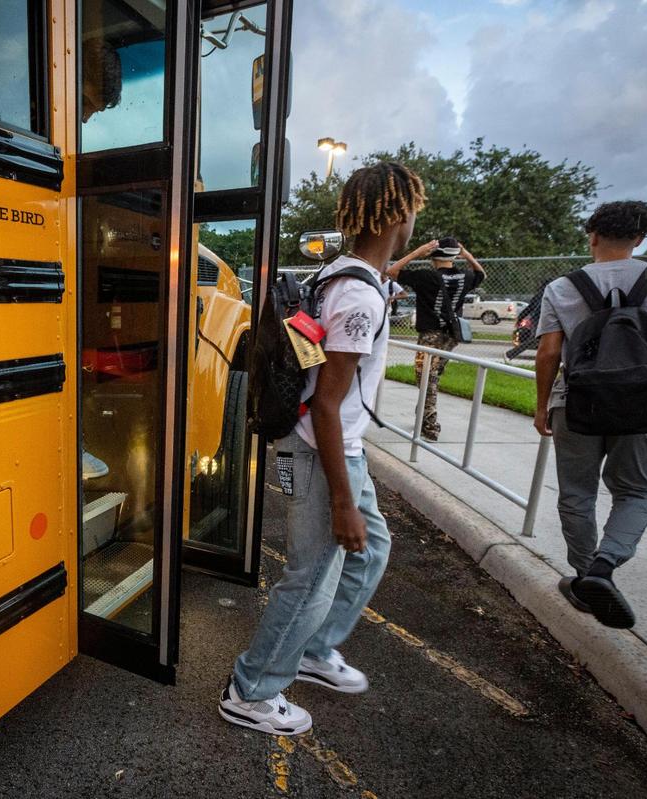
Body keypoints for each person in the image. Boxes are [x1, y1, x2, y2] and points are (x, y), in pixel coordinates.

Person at [219, 162, 426, 735]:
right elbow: (328, 405)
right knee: (310, 576)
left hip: (329, 448)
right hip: (319, 452)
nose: (413, 221)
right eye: (412, 211)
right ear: (399, 213)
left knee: (371, 549)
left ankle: (312, 651)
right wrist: (342, 500)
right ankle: (251, 690)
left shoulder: (340, 275)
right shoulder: (359, 297)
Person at [534, 200, 647, 629]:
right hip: (642, 408)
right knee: (638, 492)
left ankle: (584, 576)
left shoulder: (562, 287)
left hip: (575, 403)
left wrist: (542, 407)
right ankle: (603, 570)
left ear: (592, 235)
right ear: (640, 239)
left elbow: (549, 352)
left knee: (576, 493)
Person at [385, 237, 486, 440]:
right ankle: (423, 414)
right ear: (454, 255)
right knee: (432, 376)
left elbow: (391, 271)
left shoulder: (426, 277)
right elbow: (481, 275)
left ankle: (430, 425)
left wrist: (416, 252)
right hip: (451, 336)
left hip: (430, 335)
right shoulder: (464, 276)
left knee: (426, 378)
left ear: (433, 255)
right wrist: (466, 255)